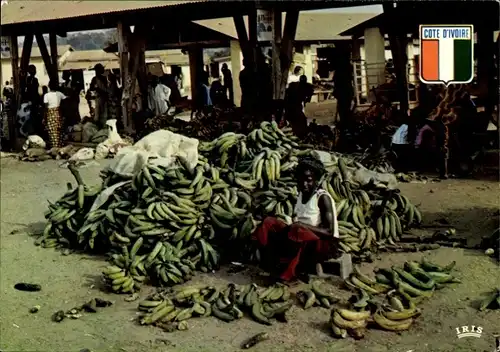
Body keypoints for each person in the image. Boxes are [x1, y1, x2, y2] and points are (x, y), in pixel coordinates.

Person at [253, 157, 339, 282]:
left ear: (316, 180)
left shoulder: (322, 198)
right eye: (301, 180)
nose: (304, 184)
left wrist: (302, 226)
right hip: (300, 237)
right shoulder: (301, 195)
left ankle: (289, 273)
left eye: (309, 180)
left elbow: (329, 232)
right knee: (269, 222)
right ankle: (269, 263)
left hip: (323, 244)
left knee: (298, 229)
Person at [43, 80, 67, 148]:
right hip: (58, 113)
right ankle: (60, 146)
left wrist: (44, 117)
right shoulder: (59, 94)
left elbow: (46, 108)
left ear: (49, 86)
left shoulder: (46, 95)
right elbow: (66, 100)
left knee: (52, 132)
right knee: (59, 131)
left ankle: (54, 147)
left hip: (50, 114)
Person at [88, 63, 109, 128]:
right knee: (102, 115)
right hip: (102, 98)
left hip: (100, 98)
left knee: (99, 115)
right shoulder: (104, 78)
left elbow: (92, 89)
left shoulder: (99, 79)